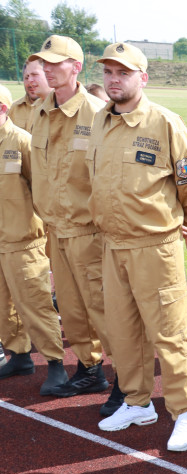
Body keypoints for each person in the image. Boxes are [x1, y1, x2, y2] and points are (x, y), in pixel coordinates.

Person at [88, 42, 187, 451]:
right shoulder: (100, 121)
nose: (114, 80)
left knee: (169, 334)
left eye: (124, 73)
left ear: (143, 78)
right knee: (123, 331)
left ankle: (185, 413)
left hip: (156, 245)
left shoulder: (165, 123)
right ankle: (137, 402)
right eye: (109, 72)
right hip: (113, 244)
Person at [28, 35, 116, 408]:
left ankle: (127, 382)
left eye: (54, 62)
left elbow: (111, 178)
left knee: (104, 308)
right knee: (71, 307)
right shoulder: (39, 111)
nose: (46, 68)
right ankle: (89, 368)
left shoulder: (98, 113)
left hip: (88, 231)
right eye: (42, 63)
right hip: (55, 230)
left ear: (75, 67)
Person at [0, 84, 67, 393]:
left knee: (36, 305)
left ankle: (55, 364)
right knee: (3, 307)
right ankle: (19, 355)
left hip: (24, 242)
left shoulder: (22, 142)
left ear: (3, 110)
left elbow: (43, 192)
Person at [10, 60, 51, 131]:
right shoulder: (13, 108)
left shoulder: (55, 107)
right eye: (26, 77)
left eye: (35, 75)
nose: (30, 81)